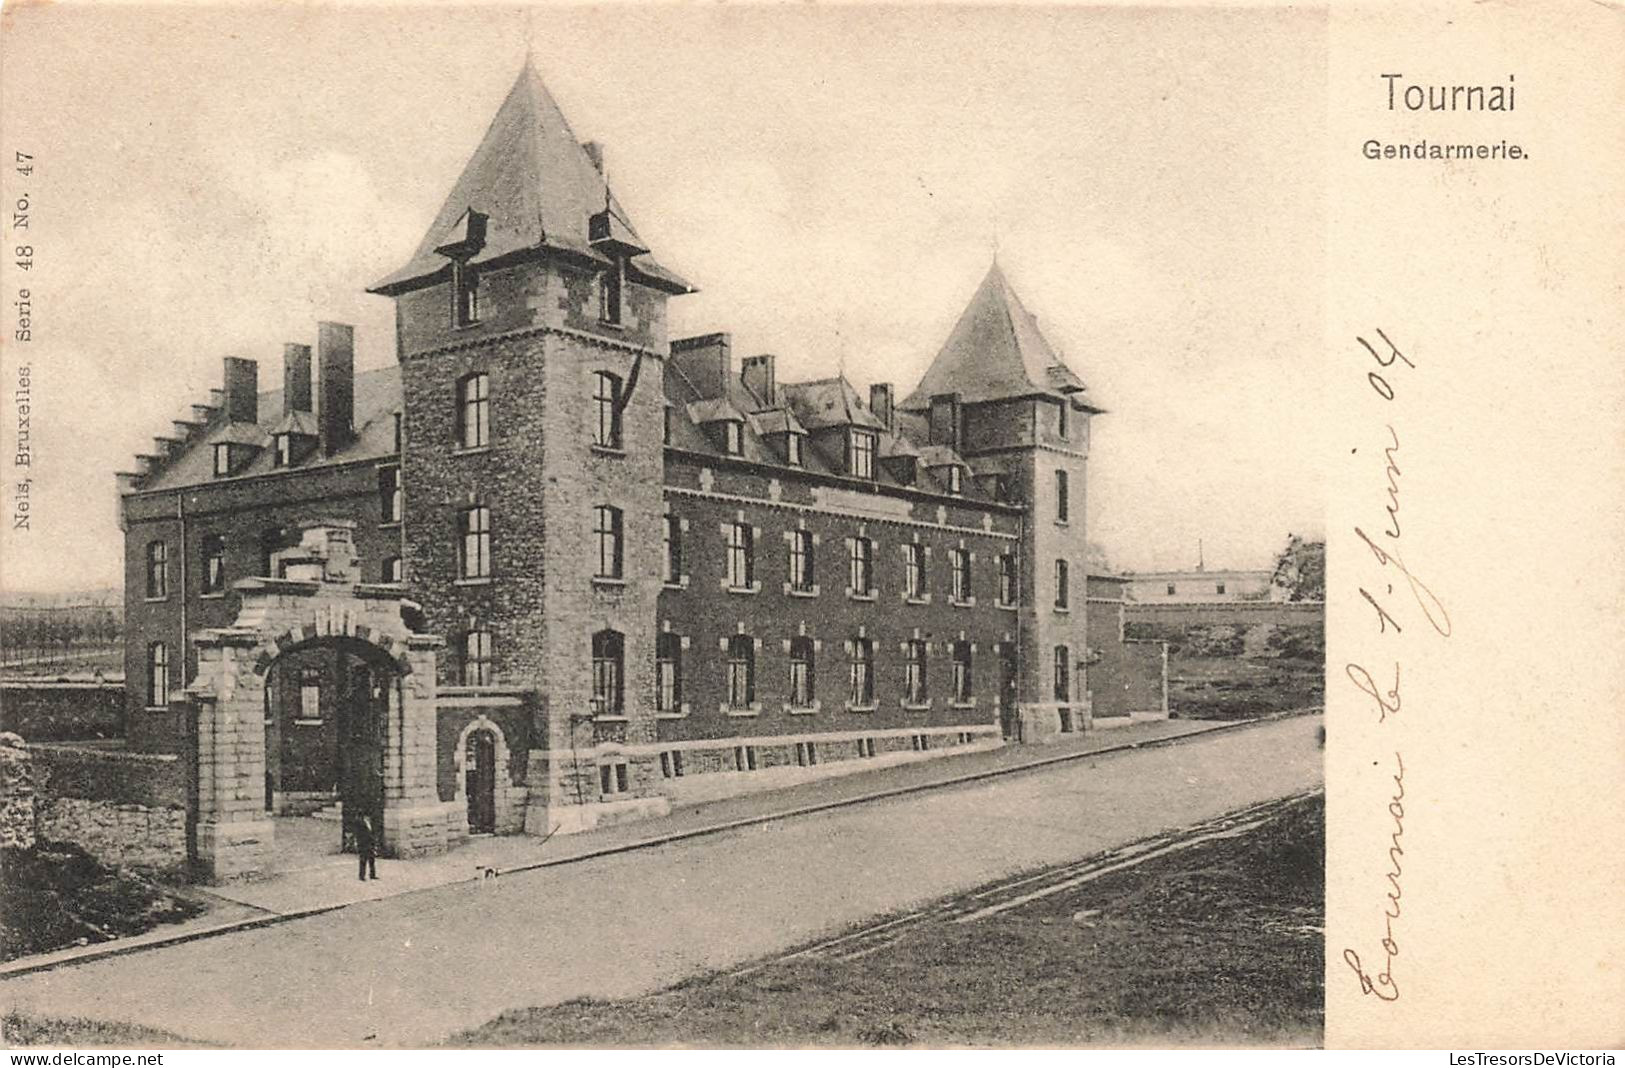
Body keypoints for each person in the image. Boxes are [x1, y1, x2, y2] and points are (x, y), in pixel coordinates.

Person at [356, 811, 379, 881]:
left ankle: (372, 875)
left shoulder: (370, 824)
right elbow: (359, 835)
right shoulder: (360, 824)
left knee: (372, 860)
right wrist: (359, 844)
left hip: (370, 844)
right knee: (363, 860)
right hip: (363, 844)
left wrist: (374, 843)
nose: (368, 818)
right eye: (367, 817)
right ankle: (361, 876)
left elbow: (372, 833)